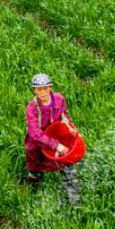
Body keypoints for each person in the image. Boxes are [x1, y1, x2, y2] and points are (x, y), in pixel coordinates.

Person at [24, 73, 81, 205]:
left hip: (56, 135)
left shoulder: (59, 99)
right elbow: (35, 133)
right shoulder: (32, 108)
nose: (42, 92)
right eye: (39, 89)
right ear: (34, 90)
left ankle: (75, 201)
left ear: (50, 88)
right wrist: (55, 145)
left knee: (66, 164)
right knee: (35, 164)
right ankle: (33, 184)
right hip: (38, 143)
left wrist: (69, 126)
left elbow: (64, 114)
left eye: (45, 88)